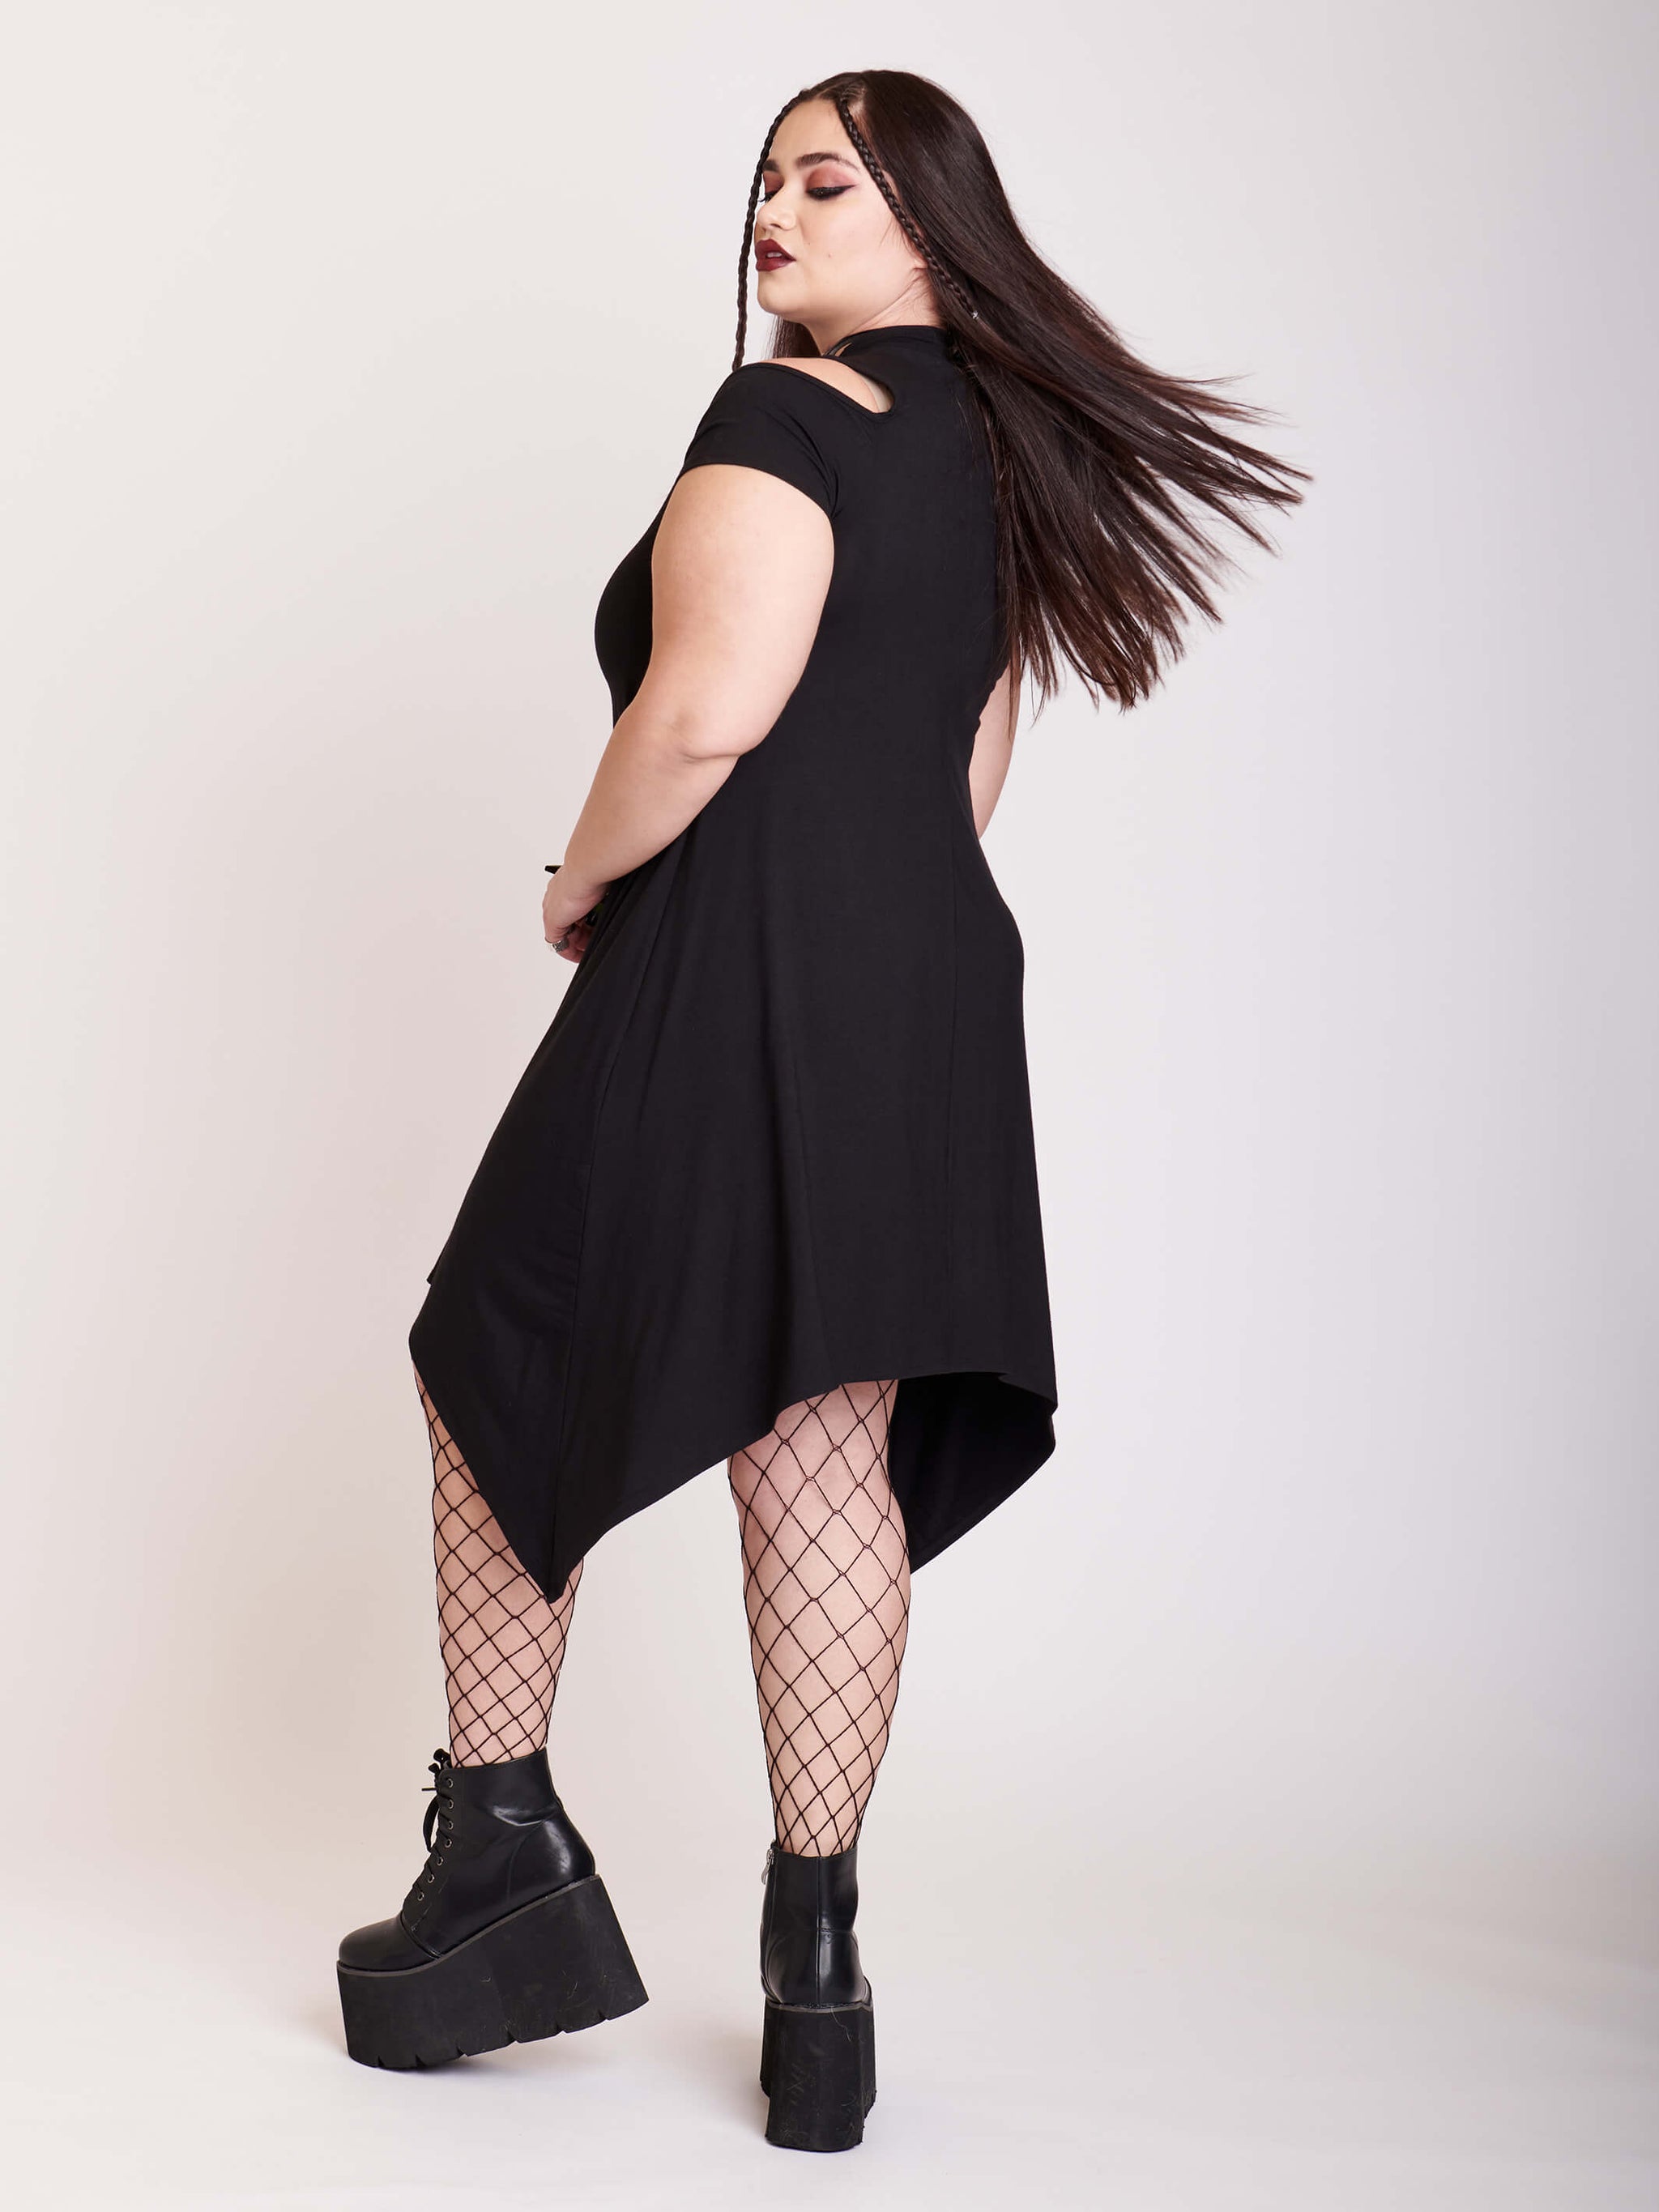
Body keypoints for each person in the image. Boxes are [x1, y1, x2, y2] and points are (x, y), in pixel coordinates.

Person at [334, 67, 1306, 2150]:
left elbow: (705, 708)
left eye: (824, 180)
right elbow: (969, 765)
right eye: (765, 181)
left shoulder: (786, 415)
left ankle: (498, 1850)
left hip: (743, 947)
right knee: (821, 1433)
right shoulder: (1009, 463)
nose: (775, 212)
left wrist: (583, 879)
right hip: (928, 975)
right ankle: (819, 1961)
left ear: (927, 220)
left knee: (494, 1335)